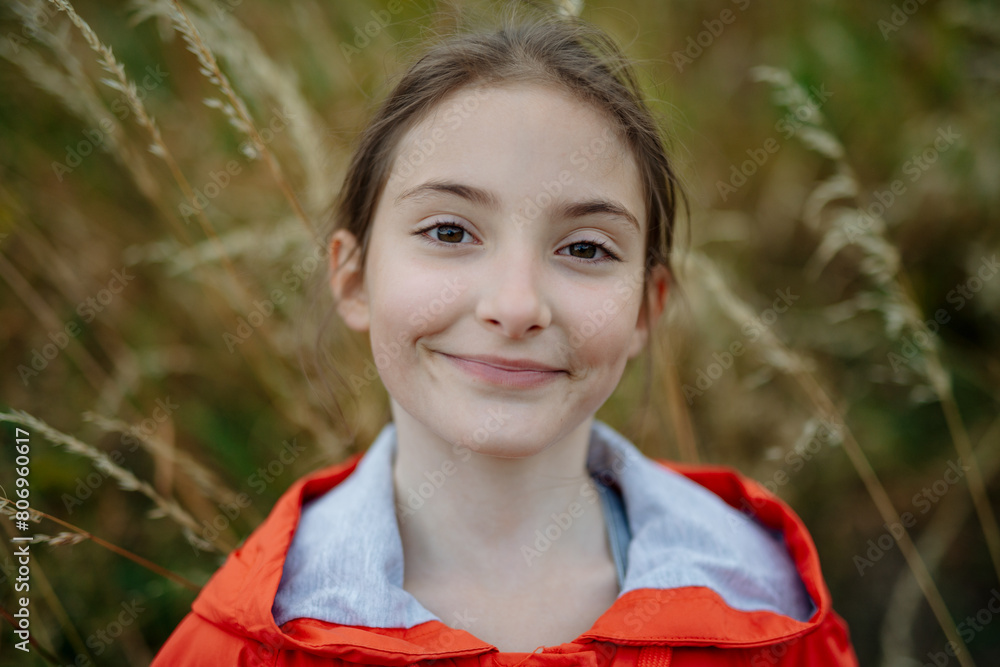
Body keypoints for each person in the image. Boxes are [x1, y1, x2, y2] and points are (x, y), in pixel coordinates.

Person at [153, 7, 858, 666]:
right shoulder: (252, 640)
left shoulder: (768, 611)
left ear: (647, 307)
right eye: (450, 231)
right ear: (355, 279)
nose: (516, 304)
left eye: (585, 248)